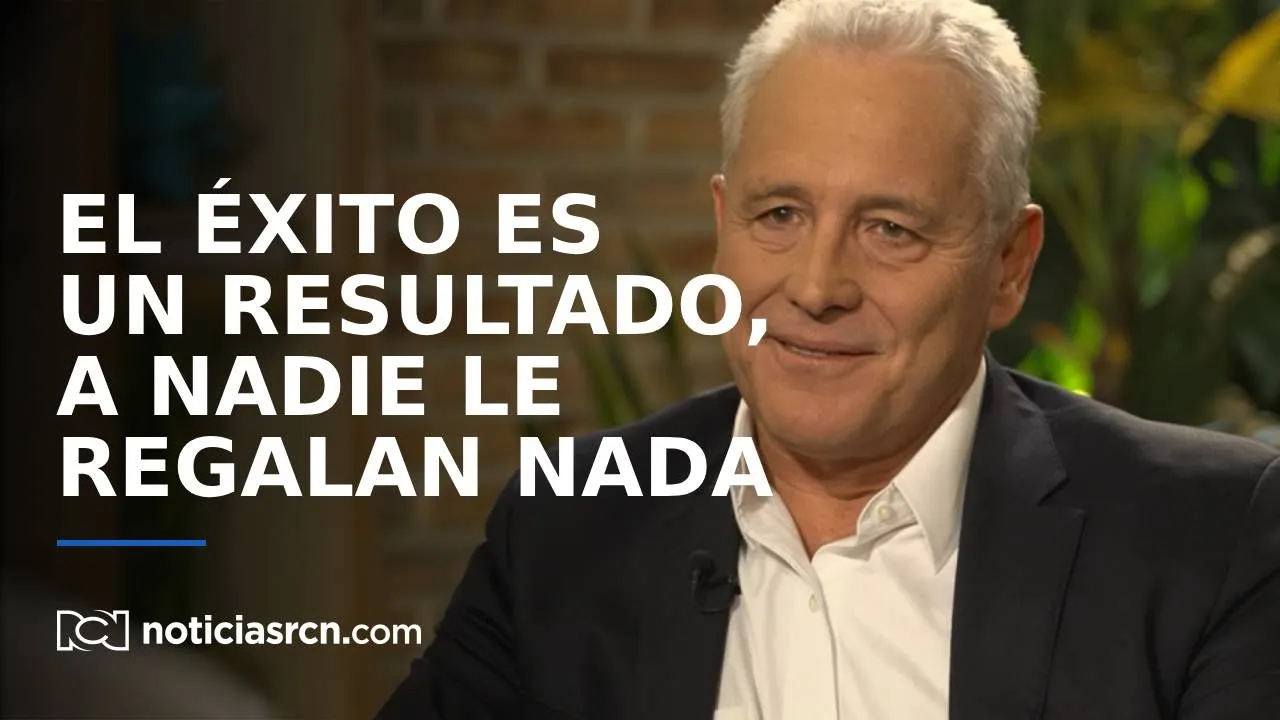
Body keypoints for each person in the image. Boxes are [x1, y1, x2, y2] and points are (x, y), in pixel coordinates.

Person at [376, 0, 1280, 718]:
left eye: (890, 229)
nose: (816, 287)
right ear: (722, 224)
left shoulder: (1211, 539)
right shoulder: (568, 526)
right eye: (780, 216)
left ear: (1010, 264)